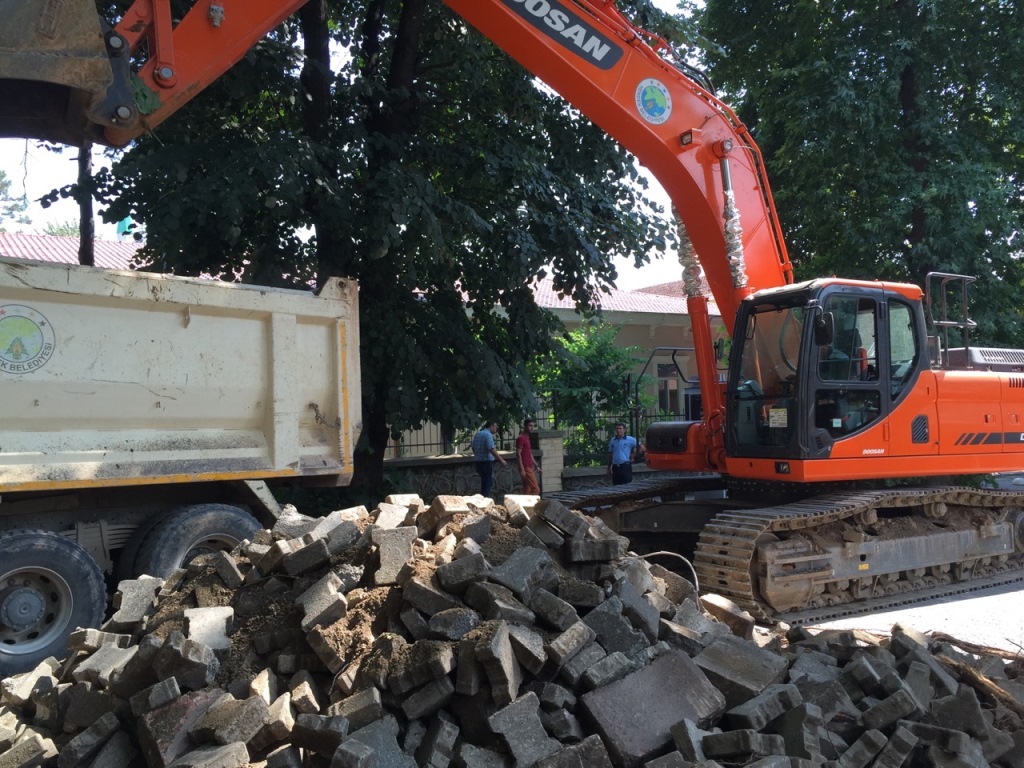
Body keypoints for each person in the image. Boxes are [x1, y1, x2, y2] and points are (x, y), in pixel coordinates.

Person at [471, 420, 507, 497]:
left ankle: (483, 497)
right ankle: (484, 499)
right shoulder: (488, 435)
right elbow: (491, 449)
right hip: (486, 462)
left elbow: (473, 447)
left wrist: (477, 455)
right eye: (495, 426)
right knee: (487, 483)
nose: (496, 428)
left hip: (478, 461)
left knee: (485, 481)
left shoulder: (478, 434)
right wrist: (501, 460)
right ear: (491, 426)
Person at [516, 418, 541, 495]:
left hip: (529, 466)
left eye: (533, 426)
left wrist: (536, 466)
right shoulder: (521, 438)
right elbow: (518, 454)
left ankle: (524, 506)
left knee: (527, 489)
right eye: (530, 425)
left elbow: (529, 453)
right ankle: (533, 506)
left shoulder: (527, 437)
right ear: (525, 426)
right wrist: (522, 469)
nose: (532, 427)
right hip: (525, 467)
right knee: (536, 489)